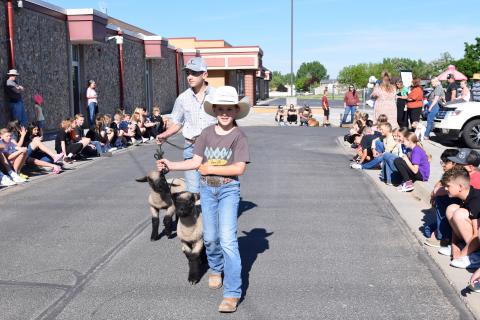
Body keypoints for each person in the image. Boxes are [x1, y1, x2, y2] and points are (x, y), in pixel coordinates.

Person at [157, 86, 250, 313]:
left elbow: (239, 168)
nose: (225, 113)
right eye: (220, 109)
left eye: (229, 109)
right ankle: (216, 267)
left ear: (236, 111)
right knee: (209, 238)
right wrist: (172, 165)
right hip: (207, 190)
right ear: (214, 110)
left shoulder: (239, 136)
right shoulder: (206, 134)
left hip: (228, 191)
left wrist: (210, 168)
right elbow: (195, 161)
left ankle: (232, 293)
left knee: (227, 240)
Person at [156, 57, 217, 196]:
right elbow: (178, 122)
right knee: (193, 191)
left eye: (194, 73)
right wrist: (164, 135)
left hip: (212, 150)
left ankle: (211, 216)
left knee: (212, 189)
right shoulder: (183, 98)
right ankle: (196, 217)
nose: (190, 77)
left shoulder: (216, 95)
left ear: (205, 74)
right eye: (188, 73)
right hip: (191, 148)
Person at [442, 167, 480, 269]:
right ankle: (464, 247)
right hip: (474, 239)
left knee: (459, 213)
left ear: (460, 187)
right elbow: (455, 228)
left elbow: (477, 236)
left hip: (477, 240)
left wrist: (461, 255)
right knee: (452, 209)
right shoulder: (464, 196)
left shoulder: (476, 200)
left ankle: (475, 255)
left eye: (448, 186)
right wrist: (454, 246)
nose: (445, 188)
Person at [424, 149, 461, 248]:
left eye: (446, 162)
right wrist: (435, 192)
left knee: (442, 198)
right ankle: (440, 230)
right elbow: (439, 184)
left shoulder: (458, 174)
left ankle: (441, 236)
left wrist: (436, 193)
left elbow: (439, 190)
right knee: (427, 230)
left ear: (454, 163)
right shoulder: (449, 173)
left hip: (458, 207)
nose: (443, 165)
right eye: (442, 162)